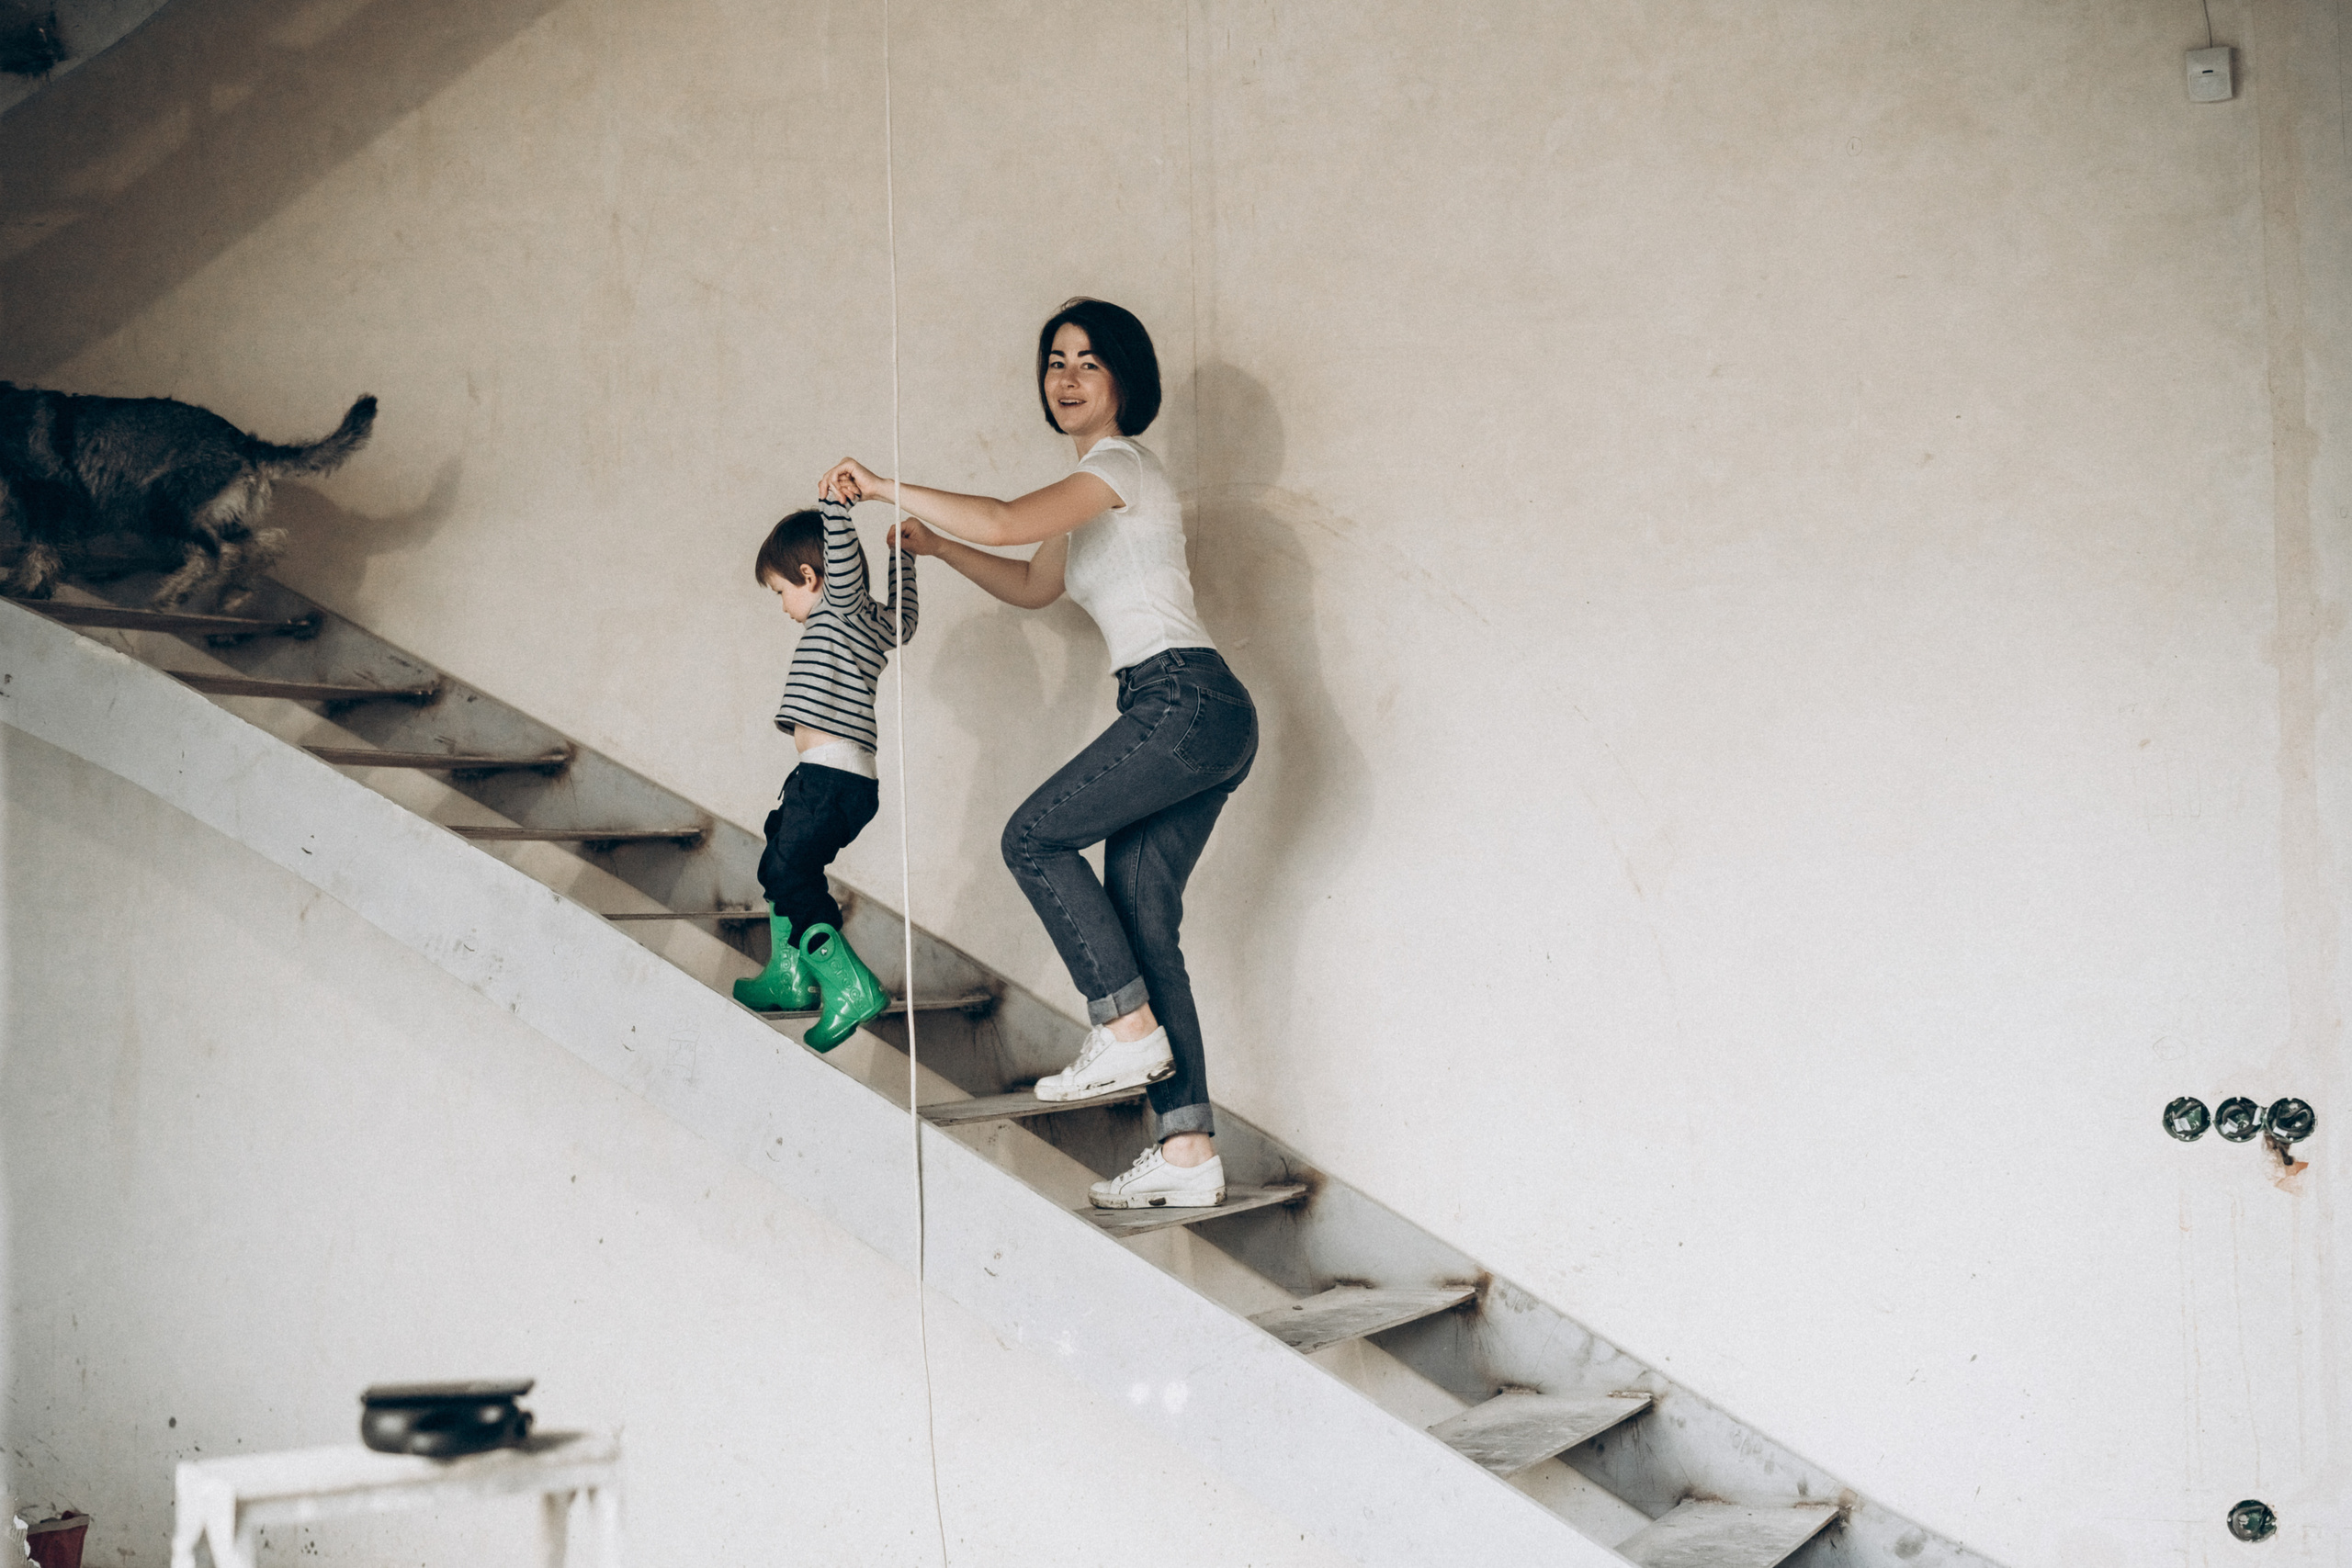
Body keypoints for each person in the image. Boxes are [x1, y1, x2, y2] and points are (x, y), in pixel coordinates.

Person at [821, 297, 1257, 1211]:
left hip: (1182, 697)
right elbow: (1030, 581)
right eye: (1054, 360)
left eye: (1088, 362)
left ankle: (1124, 1028)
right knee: (1143, 922)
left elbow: (1009, 518)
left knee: (1033, 838)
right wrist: (937, 548)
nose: (1065, 376)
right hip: (1192, 710)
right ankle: (1187, 1153)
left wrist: (887, 486)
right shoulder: (1089, 499)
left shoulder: (1119, 466)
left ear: (1123, 383)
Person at [731, 489, 918, 1052]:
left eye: (782, 592)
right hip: (834, 779)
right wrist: (902, 559)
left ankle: (850, 986)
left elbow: (841, 554)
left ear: (812, 577)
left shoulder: (838, 607)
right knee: (778, 854)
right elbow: (904, 621)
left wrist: (834, 502)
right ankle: (788, 978)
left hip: (830, 779)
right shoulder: (874, 627)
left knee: (790, 875)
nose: (784, 605)